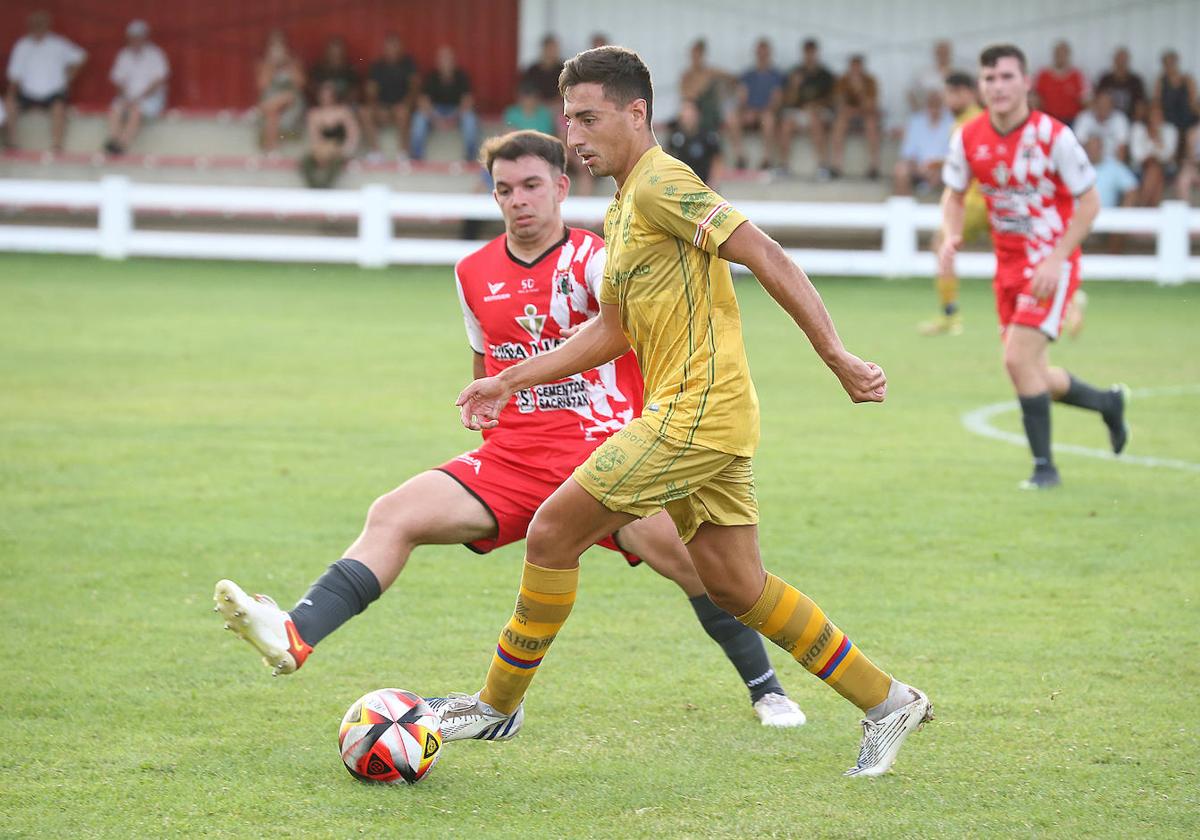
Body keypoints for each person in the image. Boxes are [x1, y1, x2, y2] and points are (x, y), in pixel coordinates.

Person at [445, 46, 932, 778]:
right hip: (704, 415)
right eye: (567, 119)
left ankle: (495, 706)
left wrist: (836, 355)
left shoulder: (663, 184)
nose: (573, 135)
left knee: (550, 531)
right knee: (737, 586)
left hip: (696, 415)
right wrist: (508, 379)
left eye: (588, 117)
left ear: (636, 113)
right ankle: (887, 699)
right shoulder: (623, 204)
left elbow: (768, 255)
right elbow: (609, 332)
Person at [214, 127, 807, 730]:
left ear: (560, 187)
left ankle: (767, 690)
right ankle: (294, 634)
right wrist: (489, 405)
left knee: (699, 567)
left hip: (605, 452)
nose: (519, 200)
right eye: (504, 189)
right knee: (394, 513)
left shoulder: (600, 258)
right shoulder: (472, 271)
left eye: (531, 185)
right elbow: (486, 364)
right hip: (516, 460)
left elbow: (625, 334)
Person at [939, 44, 1129, 489]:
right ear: (980, 87)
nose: (998, 86)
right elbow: (952, 194)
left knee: (1016, 359)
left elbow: (1090, 201)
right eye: (989, 78)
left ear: (1026, 83)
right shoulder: (969, 138)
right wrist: (951, 235)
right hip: (1006, 267)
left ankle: (1045, 469)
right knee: (1033, 372)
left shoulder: (1054, 136)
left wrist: (1058, 259)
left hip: (1049, 263)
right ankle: (1107, 403)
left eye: (1007, 77)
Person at [918, 72, 985, 337]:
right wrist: (943, 163)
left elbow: (975, 162)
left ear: (968, 93)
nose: (949, 100)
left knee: (940, 245)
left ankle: (950, 316)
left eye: (953, 94)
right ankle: (1067, 300)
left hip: (974, 200)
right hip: (989, 200)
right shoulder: (972, 121)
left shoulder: (968, 123)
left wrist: (943, 164)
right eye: (947, 94)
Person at [3, 10, 87, 152]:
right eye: (34, 25)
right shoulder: (22, 45)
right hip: (28, 92)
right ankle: (12, 143)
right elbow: (14, 75)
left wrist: (69, 76)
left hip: (53, 92)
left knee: (59, 107)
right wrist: (10, 95)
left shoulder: (58, 43)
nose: (37, 28)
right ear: (29, 26)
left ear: (47, 26)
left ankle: (56, 146)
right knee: (9, 103)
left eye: (40, 24)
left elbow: (81, 56)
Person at [103, 20, 169, 156]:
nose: (135, 40)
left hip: (150, 97)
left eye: (138, 36)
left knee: (136, 111)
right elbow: (118, 80)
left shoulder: (155, 54)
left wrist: (138, 99)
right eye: (132, 37)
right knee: (117, 108)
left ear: (145, 37)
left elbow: (158, 81)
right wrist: (125, 97)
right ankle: (113, 139)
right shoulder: (124, 54)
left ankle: (122, 144)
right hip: (128, 97)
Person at [410, 45, 479, 162]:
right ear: (437, 62)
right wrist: (437, 120)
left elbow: (467, 102)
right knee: (419, 118)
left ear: (454, 62)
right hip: (435, 112)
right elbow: (423, 102)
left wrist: (453, 119)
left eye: (448, 60)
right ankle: (417, 157)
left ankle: (470, 159)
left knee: (470, 118)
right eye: (442, 60)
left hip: (456, 112)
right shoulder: (431, 77)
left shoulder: (461, 77)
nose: (445, 63)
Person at [723, 38, 784, 171]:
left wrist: (759, 112)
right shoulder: (748, 75)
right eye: (759, 53)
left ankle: (767, 158)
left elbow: (776, 100)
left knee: (768, 119)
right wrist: (746, 111)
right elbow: (741, 97)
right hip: (749, 112)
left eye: (764, 53)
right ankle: (740, 156)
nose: (762, 56)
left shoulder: (776, 75)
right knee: (731, 117)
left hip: (765, 113)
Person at [778, 38, 835, 179]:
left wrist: (816, 105)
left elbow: (832, 100)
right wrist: (794, 86)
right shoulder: (795, 72)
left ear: (816, 53)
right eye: (807, 52)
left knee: (815, 121)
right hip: (799, 112)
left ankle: (823, 166)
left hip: (820, 112)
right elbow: (788, 101)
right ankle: (784, 166)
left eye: (812, 52)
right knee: (785, 125)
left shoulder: (825, 75)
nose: (809, 55)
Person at [362, 33, 418, 160]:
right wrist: (377, 108)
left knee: (402, 112)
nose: (391, 50)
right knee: (364, 112)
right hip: (382, 107)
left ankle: (402, 153)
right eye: (388, 47)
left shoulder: (408, 64)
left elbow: (414, 89)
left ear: (400, 48)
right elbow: (371, 91)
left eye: (394, 47)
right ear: (384, 49)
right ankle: (376, 153)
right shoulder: (377, 66)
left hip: (401, 106)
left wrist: (405, 104)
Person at [828, 54, 882, 179]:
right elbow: (839, 104)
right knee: (839, 122)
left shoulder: (870, 81)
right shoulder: (843, 81)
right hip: (848, 116)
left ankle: (874, 165)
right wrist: (853, 109)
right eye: (853, 67)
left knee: (871, 124)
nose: (855, 70)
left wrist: (860, 92)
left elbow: (871, 105)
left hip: (865, 116)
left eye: (858, 67)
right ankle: (837, 165)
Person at [893, 89, 953, 196]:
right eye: (931, 105)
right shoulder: (916, 121)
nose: (934, 109)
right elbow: (908, 154)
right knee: (900, 170)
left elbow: (954, 154)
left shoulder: (952, 122)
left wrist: (938, 168)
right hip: (919, 168)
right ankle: (905, 209)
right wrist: (920, 169)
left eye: (937, 105)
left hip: (943, 169)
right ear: (926, 105)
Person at [299, 80, 358, 188]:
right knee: (306, 161)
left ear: (334, 96)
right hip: (323, 148)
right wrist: (320, 152)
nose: (325, 98)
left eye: (328, 95)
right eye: (322, 95)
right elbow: (314, 137)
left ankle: (325, 187)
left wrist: (345, 150)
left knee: (335, 162)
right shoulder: (314, 114)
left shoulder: (344, 111)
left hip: (340, 148)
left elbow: (352, 134)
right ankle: (314, 187)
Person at [255, 29, 305, 153]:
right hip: (271, 100)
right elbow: (263, 85)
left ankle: (269, 145)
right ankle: (272, 146)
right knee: (273, 112)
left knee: (278, 101)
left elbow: (300, 84)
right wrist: (271, 65)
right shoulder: (263, 64)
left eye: (280, 46)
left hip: (292, 101)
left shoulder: (293, 62)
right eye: (274, 46)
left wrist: (288, 64)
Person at [678, 38, 733, 136]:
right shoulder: (687, 75)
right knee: (687, 111)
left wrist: (725, 90)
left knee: (731, 115)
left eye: (698, 54)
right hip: (695, 107)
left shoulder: (710, 72)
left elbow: (731, 78)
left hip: (711, 110)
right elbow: (686, 94)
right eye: (694, 54)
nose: (696, 57)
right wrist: (701, 86)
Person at [1129, 101, 1178, 207]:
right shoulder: (1138, 129)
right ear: (1148, 116)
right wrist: (1153, 155)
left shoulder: (1170, 130)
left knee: (1155, 170)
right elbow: (1137, 156)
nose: (1156, 118)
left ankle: (1142, 207)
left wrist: (1157, 139)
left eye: (1159, 115)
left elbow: (1169, 156)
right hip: (1140, 169)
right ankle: (1152, 211)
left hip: (1166, 168)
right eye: (1153, 115)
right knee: (1155, 173)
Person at [664, 99, 723, 185]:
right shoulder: (675, 136)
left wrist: (713, 182)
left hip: (703, 185)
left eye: (690, 110)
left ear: (697, 114)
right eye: (684, 110)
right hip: (683, 185)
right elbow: (668, 156)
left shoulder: (707, 136)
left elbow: (717, 160)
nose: (687, 115)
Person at [1154, 50, 1198, 162]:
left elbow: (1193, 103)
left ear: (1177, 63)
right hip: (1169, 118)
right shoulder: (1161, 81)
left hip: (1186, 118)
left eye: (1172, 63)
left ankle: (1187, 161)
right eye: (1166, 64)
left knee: (1189, 133)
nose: (1169, 66)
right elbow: (1157, 103)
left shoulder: (1187, 80)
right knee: (1169, 132)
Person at [1033, 40, 1090, 126]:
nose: (1060, 57)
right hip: (1049, 120)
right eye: (1058, 54)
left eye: (1063, 54)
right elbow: (1035, 99)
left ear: (1068, 55)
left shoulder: (1077, 75)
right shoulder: (1043, 75)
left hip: (1072, 120)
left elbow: (1085, 99)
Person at [1095, 47, 1146, 121]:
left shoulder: (1135, 81)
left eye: (1123, 60)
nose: (1121, 63)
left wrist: (1137, 120)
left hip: (1129, 118)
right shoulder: (1105, 79)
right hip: (1108, 118)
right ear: (1114, 60)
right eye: (1119, 59)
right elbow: (1098, 99)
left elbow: (1140, 104)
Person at [308, 36, 359, 106]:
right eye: (333, 53)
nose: (335, 55)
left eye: (338, 52)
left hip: (344, 108)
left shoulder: (350, 71)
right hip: (323, 107)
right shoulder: (318, 70)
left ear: (343, 53)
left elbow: (355, 93)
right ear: (327, 53)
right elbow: (312, 90)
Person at [520, 34, 564, 105]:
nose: (552, 52)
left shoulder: (564, 69)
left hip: (558, 107)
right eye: (549, 49)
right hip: (536, 107)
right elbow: (525, 92)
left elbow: (569, 91)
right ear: (543, 49)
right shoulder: (533, 70)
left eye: (554, 49)